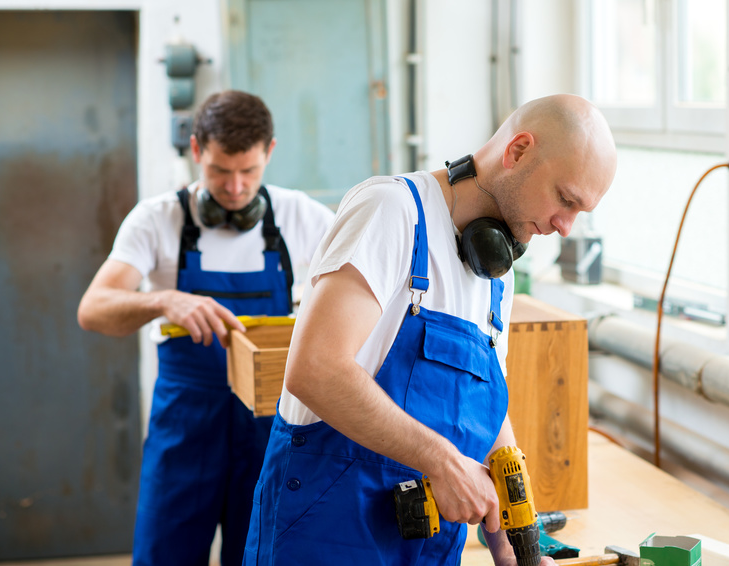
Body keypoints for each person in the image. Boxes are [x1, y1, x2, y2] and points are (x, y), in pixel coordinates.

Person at [241, 93, 617, 565]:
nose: (565, 227)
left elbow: (487, 410)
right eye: (565, 199)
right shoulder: (391, 211)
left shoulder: (497, 275)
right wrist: (441, 461)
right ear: (518, 150)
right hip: (326, 531)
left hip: (426, 547)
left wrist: (515, 542)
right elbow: (315, 369)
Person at [77, 90, 335, 566]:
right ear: (196, 151)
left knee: (262, 553)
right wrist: (163, 299)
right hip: (186, 423)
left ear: (269, 153)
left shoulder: (304, 218)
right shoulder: (158, 220)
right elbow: (93, 308)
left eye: (249, 172)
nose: (235, 187)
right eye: (220, 171)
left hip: (270, 425)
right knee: (165, 554)